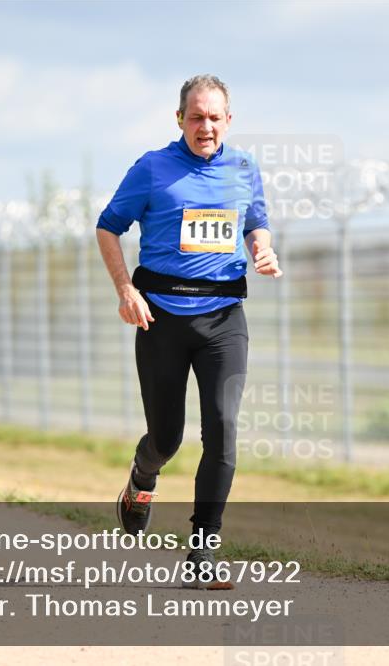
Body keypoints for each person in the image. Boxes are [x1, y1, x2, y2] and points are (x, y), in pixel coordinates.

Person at [96, 74, 281, 590]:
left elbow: (256, 219)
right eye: (196, 117)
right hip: (160, 320)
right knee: (167, 437)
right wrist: (125, 290)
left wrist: (262, 247)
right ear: (179, 119)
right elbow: (108, 226)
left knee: (222, 429)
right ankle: (142, 477)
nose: (205, 126)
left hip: (224, 319)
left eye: (214, 117)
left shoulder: (244, 167)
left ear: (229, 120)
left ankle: (203, 552)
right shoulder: (152, 168)